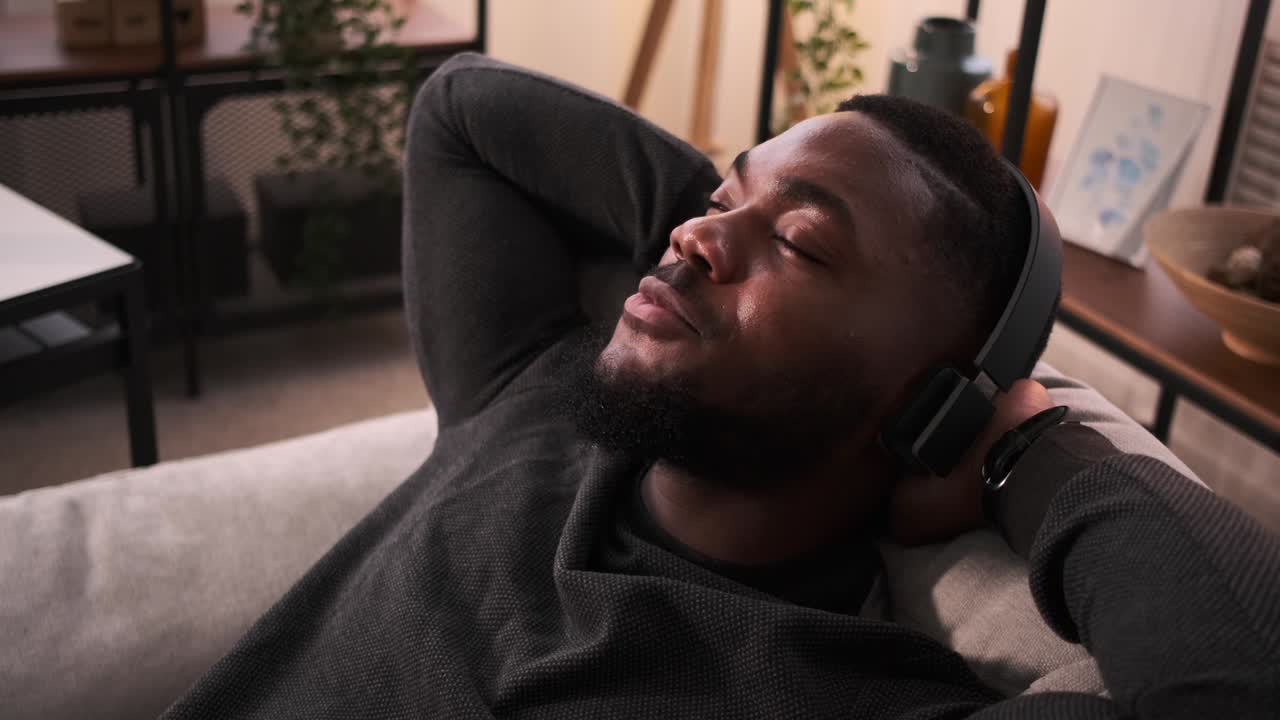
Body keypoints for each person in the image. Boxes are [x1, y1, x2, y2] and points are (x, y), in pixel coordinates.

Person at [161, 53, 1280, 719]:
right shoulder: (528, 385)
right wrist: (735, 222)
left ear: (926, 401)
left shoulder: (846, 697)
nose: (693, 232)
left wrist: (1027, 455)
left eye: (802, 242)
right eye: (717, 191)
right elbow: (463, 108)